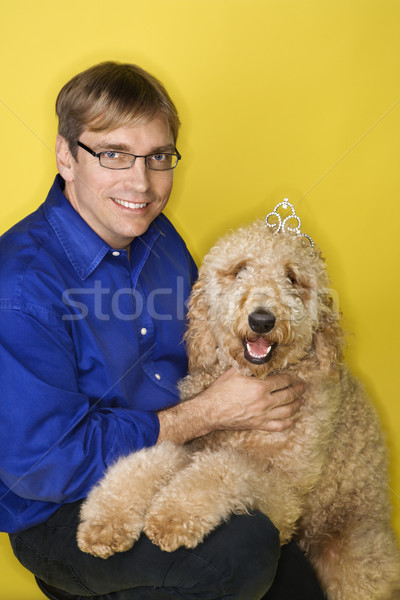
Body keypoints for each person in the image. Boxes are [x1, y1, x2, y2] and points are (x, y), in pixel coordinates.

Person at [0, 61, 325, 599]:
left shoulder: (158, 236)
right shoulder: (17, 291)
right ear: (65, 155)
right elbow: (43, 466)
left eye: (158, 157)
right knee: (240, 552)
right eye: (114, 154)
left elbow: (213, 348)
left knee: (308, 567)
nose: (141, 183)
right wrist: (205, 414)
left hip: (184, 462)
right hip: (64, 511)